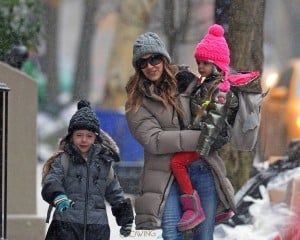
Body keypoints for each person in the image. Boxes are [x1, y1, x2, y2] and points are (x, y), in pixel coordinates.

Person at [125, 30, 236, 240]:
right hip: (165, 175)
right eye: (143, 63)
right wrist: (203, 137)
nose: (150, 66)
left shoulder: (190, 83)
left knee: (204, 235)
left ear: (164, 59)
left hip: (203, 167)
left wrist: (220, 131)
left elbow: (218, 116)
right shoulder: (136, 101)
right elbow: (154, 141)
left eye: (154, 59)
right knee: (171, 233)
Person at [41, 100, 134, 240]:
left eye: (89, 136)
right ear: (71, 136)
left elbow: (115, 192)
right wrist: (58, 195)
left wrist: (125, 219)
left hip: (96, 229)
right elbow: (52, 180)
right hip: (65, 227)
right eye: (79, 135)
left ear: (96, 138)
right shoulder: (63, 160)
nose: (84, 140)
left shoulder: (104, 164)